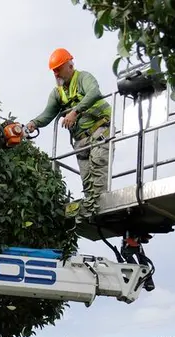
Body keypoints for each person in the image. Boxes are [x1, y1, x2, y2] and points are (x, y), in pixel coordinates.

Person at [27, 48, 112, 221]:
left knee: (98, 166)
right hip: (80, 140)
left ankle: (101, 209)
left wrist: (75, 112)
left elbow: (94, 92)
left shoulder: (83, 78)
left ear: (70, 65)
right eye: (54, 70)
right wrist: (33, 124)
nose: (56, 73)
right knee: (87, 179)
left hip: (100, 129)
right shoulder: (57, 93)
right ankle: (92, 211)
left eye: (59, 68)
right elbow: (48, 114)